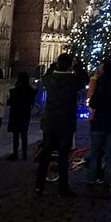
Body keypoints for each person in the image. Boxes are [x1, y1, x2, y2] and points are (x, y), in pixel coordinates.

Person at [35, 52, 88, 198]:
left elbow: (45, 74)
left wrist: (54, 65)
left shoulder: (49, 79)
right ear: (69, 65)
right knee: (64, 156)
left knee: (45, 154)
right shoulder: (72, 80)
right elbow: (85, 79)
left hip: (50, 122)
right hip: (66, 122)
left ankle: (39, 186)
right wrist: (77, 65)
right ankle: (62, 187)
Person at [87, 58, 111, 193]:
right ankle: (106, 185)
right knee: (109, 156)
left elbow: (93, 103)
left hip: (99, 122)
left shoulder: (101, 83)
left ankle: (91, 182)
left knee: (95, 153)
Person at [6, 71, 35, 160]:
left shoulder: (15, 91)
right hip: (25, 114)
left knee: (16, 135)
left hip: (16, 113)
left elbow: (10, 102)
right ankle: (24, 154)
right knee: (24, 134)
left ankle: (15, 153)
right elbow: (32, 103)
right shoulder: (31, 91)